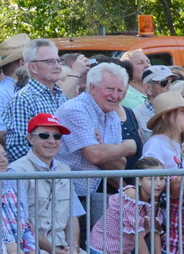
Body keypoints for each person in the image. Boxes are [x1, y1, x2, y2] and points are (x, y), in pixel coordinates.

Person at [9, 113, 101, 254]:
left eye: (57, 136)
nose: (51, 141)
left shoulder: (64, 169)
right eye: (44, 135)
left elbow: (72, 215)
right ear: (30, 138)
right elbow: (23, 224)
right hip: (33, 247)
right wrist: (58, 253)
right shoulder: (16, 171)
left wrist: (74, 249)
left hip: (61, 244)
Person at [57, 61, 136, 211]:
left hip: (88, 195)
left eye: (120, 91)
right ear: (92, 87)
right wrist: (128, 146)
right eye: (110, 89)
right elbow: (95, 155)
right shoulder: (76, 109)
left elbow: (120, 165)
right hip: (65, 196)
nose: (115, 96)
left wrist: (105, 148)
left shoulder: (112, 115)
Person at [0, 40, 67, 159]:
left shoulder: (62, 98)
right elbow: (17, 147)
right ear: (33, 67)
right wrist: (49, 165)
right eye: (49, 61)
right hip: (37, 174)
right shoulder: (23, 99)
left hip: (61, 171)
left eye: (58, 60)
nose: (57, 66)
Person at [142, 81, 184, 168]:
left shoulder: (183, 143)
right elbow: (153, 177)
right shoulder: (155, 143)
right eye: (182, 111)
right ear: (165, 116)